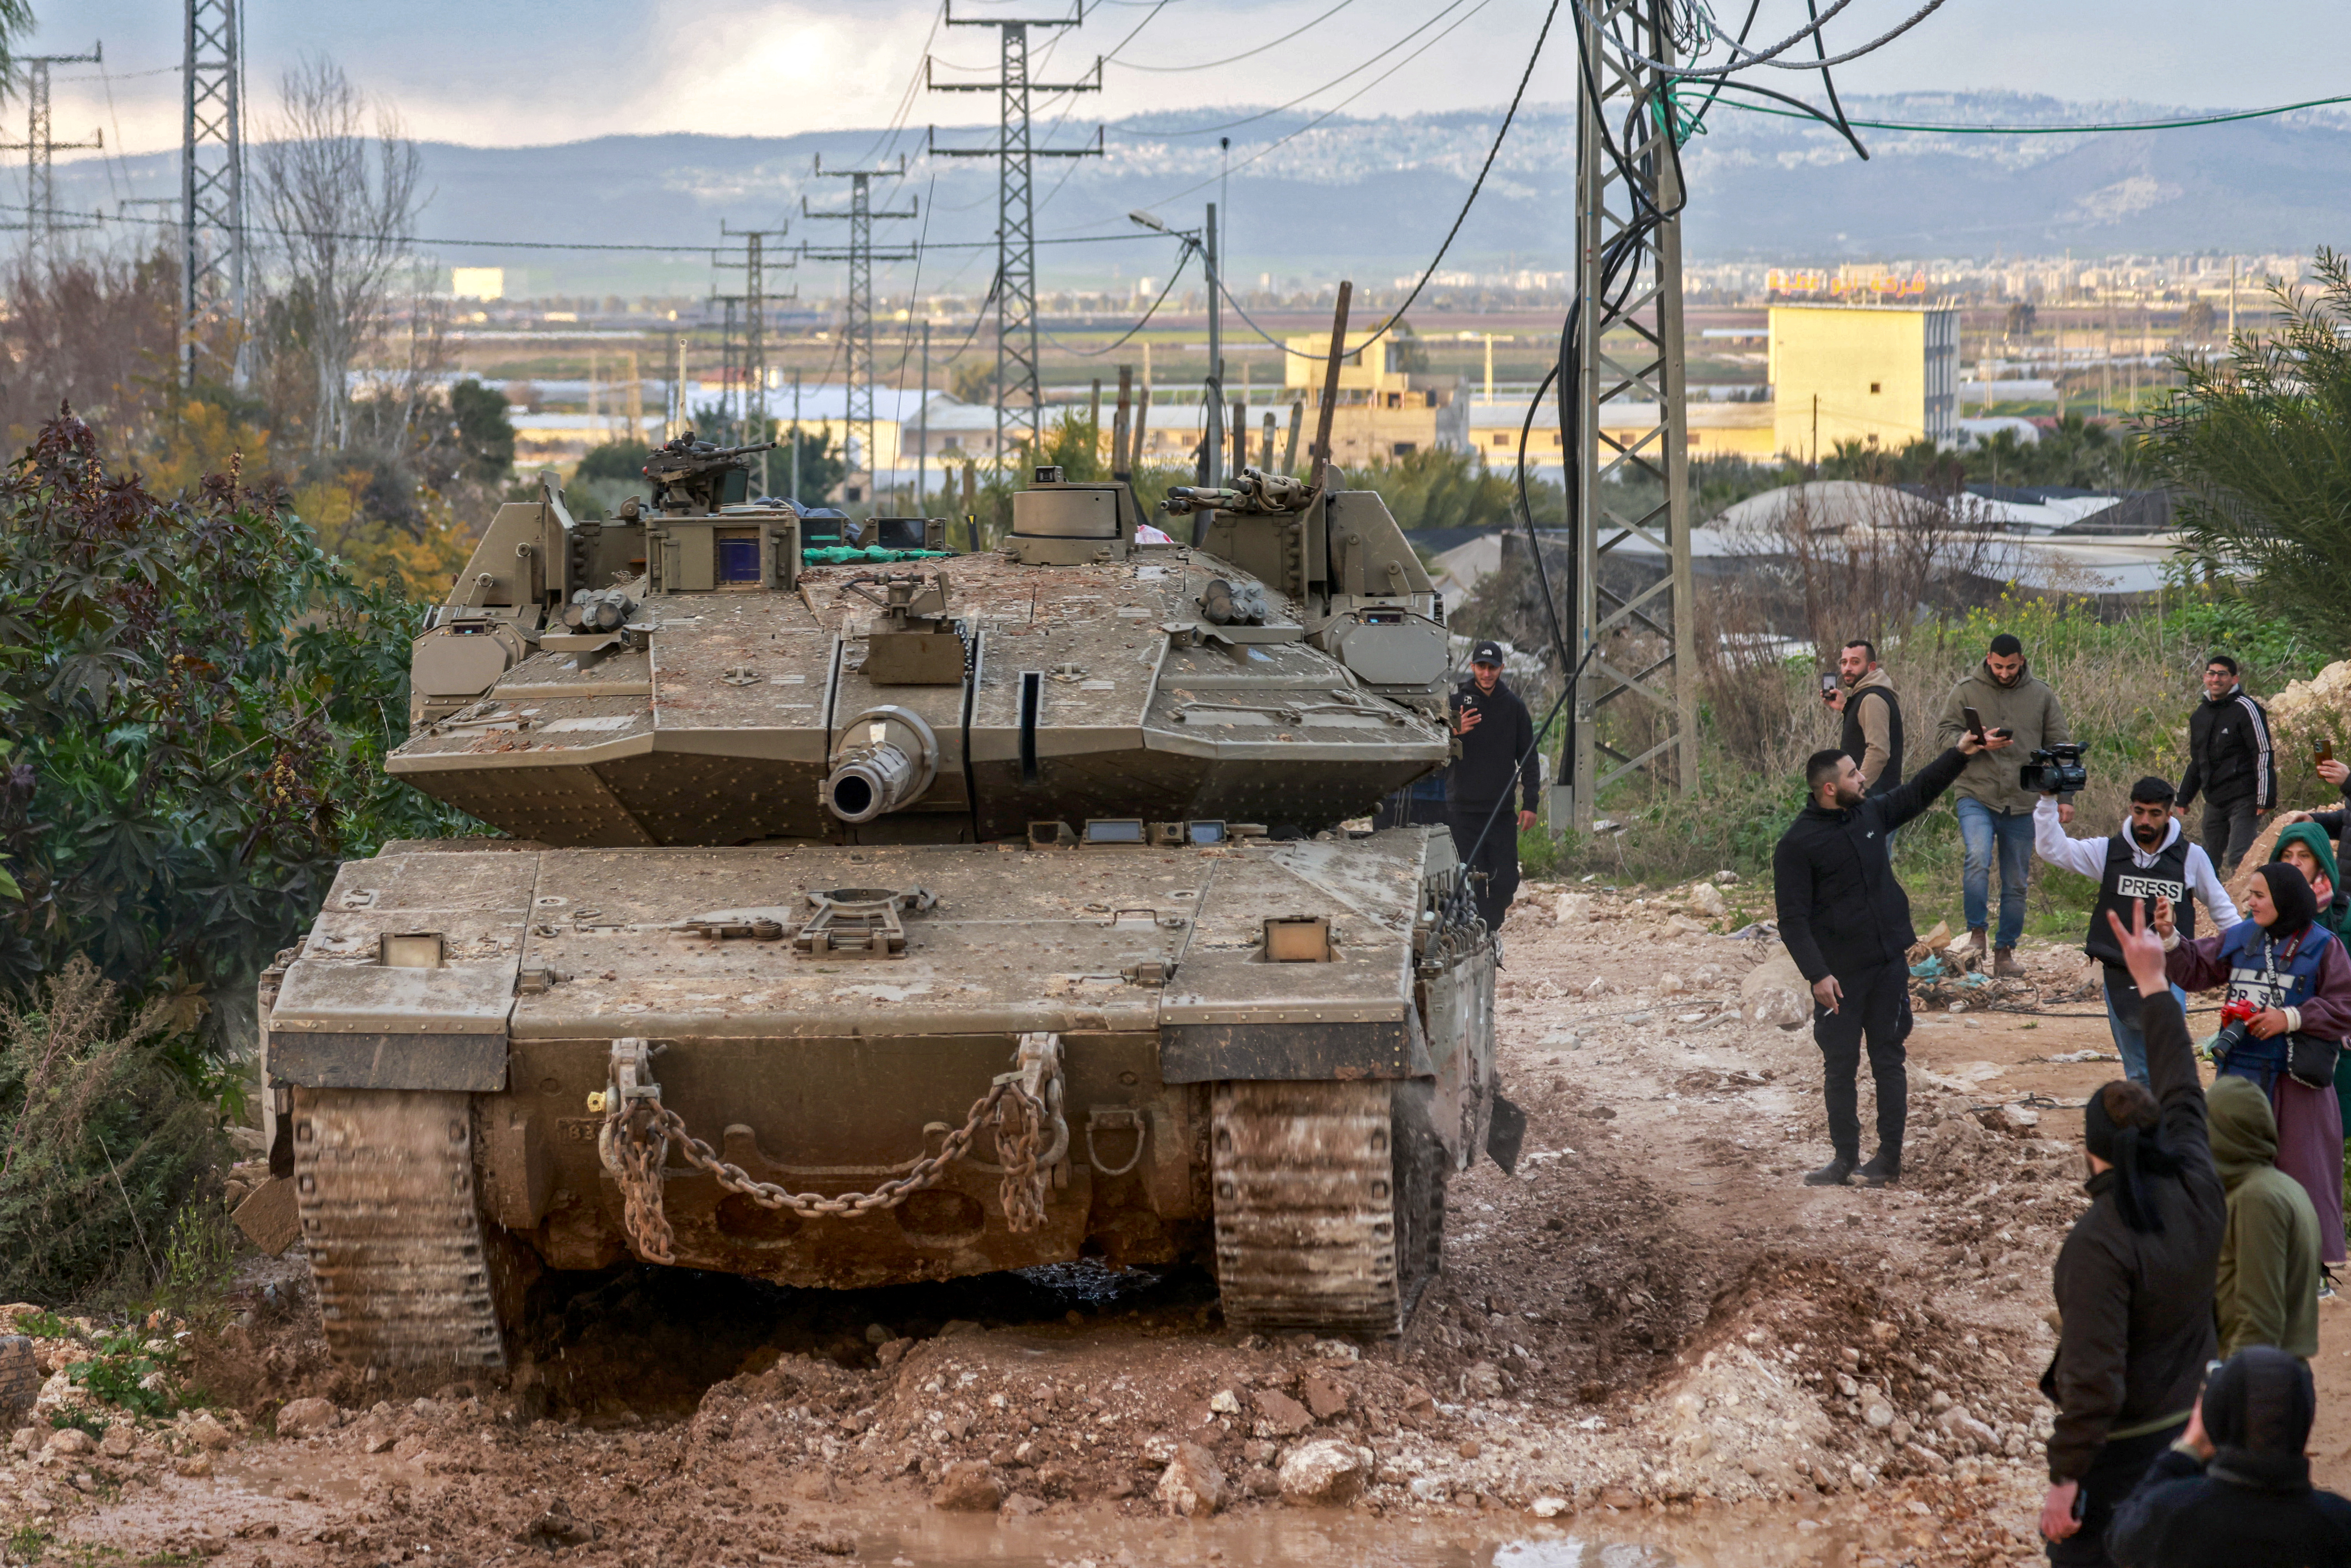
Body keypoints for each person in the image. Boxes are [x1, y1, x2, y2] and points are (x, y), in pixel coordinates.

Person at [2039, 903, 2226, 1567]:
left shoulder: (2098, 1243)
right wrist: (2153, 984)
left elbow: (2093, 1383)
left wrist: (2065, 1481)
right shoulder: (2201, 1186)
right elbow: (2182, 1085)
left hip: (2124, 1465)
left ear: (2093, 1155)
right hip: (2201, 1443)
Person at [1772, 729, 1988, 1188]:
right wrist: (1817, 975)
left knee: (1889, 1057)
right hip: (1841, 977)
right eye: (1854, 774)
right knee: (1841, 1065)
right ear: (1830, 788)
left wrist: (1960, 754)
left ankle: (1889, 1159)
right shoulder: (1797, 845)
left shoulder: (1869, 813)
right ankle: (1844, 1159)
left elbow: (1918, 792)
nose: (1863, 779)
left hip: (1890, 962)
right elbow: (1792, 920)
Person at [2161, 861, 2350, 1270]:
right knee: (2232, 1168)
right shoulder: (2244, 937)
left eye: (2259, 895)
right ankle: (2235, 1259)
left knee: (2304, 1174)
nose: (2250, 902)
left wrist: (2291, 1019)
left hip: (2296, 1083)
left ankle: (2309, 1267)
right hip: (2242, 1077)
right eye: (2250, 894)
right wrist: (2170, 938)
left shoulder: (2324, 946)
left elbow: (2344, 1006)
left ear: (2284, 899)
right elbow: (2196, 967)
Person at [2031, 776, 2237, 1085]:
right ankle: (2146, 1129)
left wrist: (2247, 952)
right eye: (2139, 811)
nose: (2145, 821)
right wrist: (2047, 800)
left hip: (2171, 971)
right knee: (2139, 1071)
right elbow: (2051, 849)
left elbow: (2223, 911)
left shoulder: (2190, 858)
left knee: (2168, 1059)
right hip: (2118, 971)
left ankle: (2174, 1123)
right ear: (2130, 808)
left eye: (2154, 814)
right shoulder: (2108, 852)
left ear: (2169, 814)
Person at [2105, 1347, 2351, 1568]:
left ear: (2217, 1415)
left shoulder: (2172, 1512)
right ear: (2304, 1417)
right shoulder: (2337, 1524)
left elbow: (2120, 1538)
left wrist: (2189, 1447)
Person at [1936, 632, 2074, 979]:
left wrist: (2066, 797)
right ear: (1987, 658)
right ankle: (1976, 933)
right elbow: (1941, 737)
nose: (2003, 672)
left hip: (2023, 800)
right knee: (1976, 857)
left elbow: (2061, 747)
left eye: (2010, 666)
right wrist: (1971, 742)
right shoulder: (1965, 690)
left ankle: (2005, 951)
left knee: (2016, 881)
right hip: (1975, 792)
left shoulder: (2041, 694)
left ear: (2022, 660)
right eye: (1997, 666)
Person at [2207, 1075, 2322, 1362]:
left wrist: (2227, 1385)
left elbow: (2260, 1319)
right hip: (2274, 1373)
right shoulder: (2281, 1186)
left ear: (2224, 1134)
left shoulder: (2256, 1199)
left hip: (2258, 1381)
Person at [1446, 641, 1537, 930]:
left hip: (1500, 811)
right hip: (1462, 810)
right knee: (1463, 880)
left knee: (1506, 879)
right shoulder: (1452, 705)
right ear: (1472, 667)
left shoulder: (1514, 708)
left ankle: (1489, 928)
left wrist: (1531, 804)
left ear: (1501, 669)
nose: (1487, 673)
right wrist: (1453, 732)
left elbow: (1529, 759)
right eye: (1481, 667)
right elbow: (1430, 752)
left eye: (1493, 667)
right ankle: (1473, 931)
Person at [2175, 655, 2276, 877]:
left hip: (2245, 796)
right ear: (2204, 678)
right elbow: (2197, 760)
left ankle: (2246, 907)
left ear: (2234, 679)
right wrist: (2184, 796)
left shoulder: (2247, 709)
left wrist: (2266, 797)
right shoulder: (2200, 715)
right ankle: (2207, 909)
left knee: (2239, 857)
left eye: (2222, 674)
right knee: (2208, 857)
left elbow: (2263, 753)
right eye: (2212, 674)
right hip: (2214, 798)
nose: (2216, 679)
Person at [1827, 638, 1903, 790]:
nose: (1847, 668)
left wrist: (1858, 789)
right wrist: (1845, 707)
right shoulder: (1867, 696)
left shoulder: (1872, 699)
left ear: (1871, 667)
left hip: (1875, 797)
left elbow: (1878, 751)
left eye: (1855, 662)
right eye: (1844, 663)